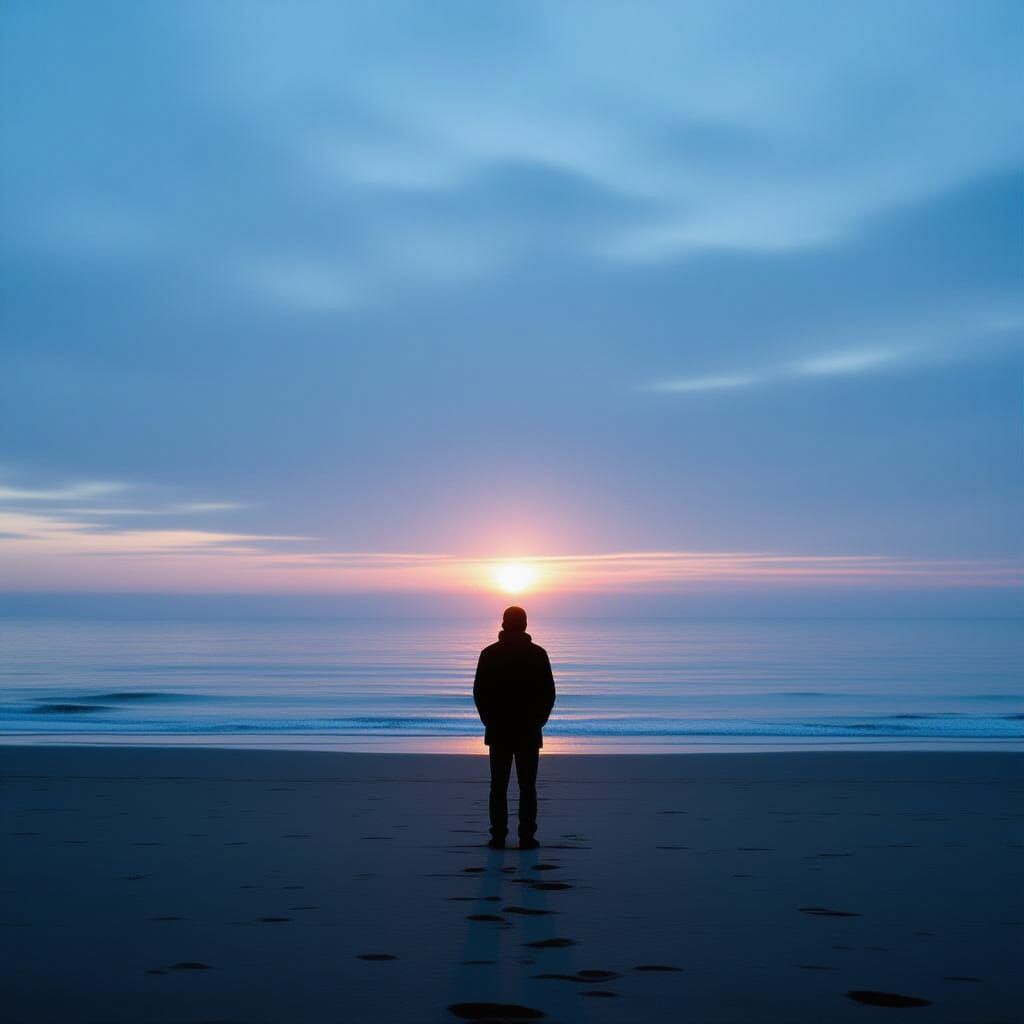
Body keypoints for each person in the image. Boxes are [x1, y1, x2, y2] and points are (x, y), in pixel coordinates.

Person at [473, 606, 556, 849]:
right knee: (526, 786)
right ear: (525, 625)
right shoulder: (538, 654)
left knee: (499, 786)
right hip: (527, 730)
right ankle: (526, 836)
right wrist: (538, 721)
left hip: (500, 729)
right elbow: (548, 694)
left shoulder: (489, 654)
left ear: (503, 624)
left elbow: (479, 693)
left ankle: (498, 836)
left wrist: (489, 719)